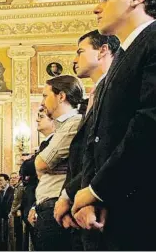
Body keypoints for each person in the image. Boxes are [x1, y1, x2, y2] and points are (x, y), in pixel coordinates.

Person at [70, 0, 156, 250]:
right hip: (111, 208)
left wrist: (97, 190)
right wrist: (89, 194)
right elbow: (97, 137)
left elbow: (148, 124)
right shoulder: (122, 56)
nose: (97, 8)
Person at [53, 30, 119, 250]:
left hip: (99, 207)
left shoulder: (115, 90)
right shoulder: (93, 95)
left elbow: (104, 152)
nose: (74, 59)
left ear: (103, 51)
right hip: (80, 206)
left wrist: (70, 195)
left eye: (80, 51)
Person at [34, 75, 83, 250]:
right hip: (49, 204)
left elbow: (41, 164)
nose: (42, 103)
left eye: (45, 96)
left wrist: (48, 167)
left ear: (61, 96)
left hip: (57, 205)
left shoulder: (73, 123)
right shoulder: (61, 127)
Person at [22, 107, 55, 250]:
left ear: (53, 121)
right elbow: (25, 168)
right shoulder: (44, 144)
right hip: (36, 206)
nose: (37, 119)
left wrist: (31, 161)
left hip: (44, 205)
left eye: (41, 116)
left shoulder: (54, 142)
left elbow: (28, 167)